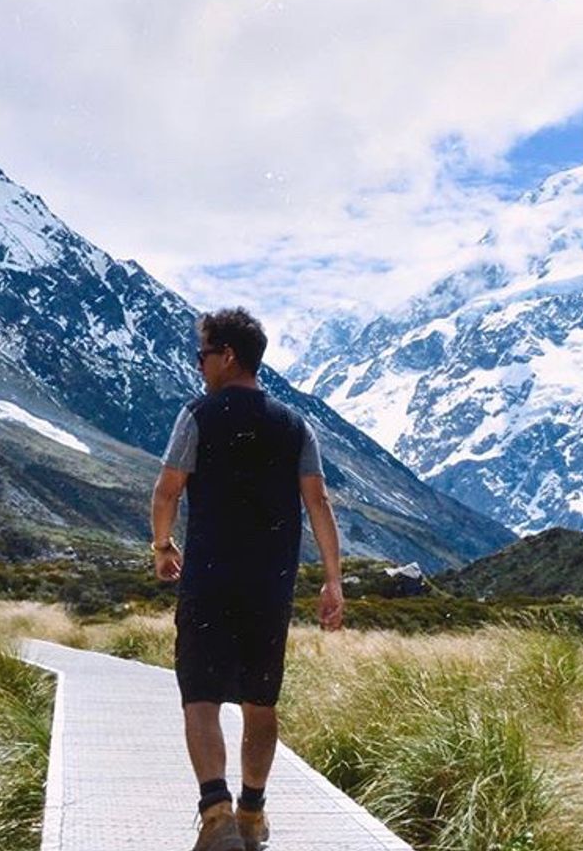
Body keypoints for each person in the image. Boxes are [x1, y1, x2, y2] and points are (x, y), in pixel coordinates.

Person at [151, 306, 345, 851]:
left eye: (202, 354)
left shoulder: (199, 415)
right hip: (270, 587)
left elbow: (167, 491)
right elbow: (318, 501)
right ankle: (253, 815)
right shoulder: (294, 425)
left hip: (209, 580)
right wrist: (333, 581)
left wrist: (163, 546)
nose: (199, 365)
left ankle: (216, 815)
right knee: (261, 704)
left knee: (202, 699)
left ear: (227, 356)